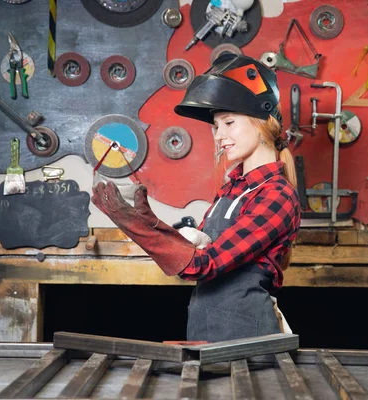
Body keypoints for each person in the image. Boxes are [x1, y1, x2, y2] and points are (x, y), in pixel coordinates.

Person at [92, 54, 301, 343]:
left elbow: (202, 265)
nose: (219, 136)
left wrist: (135, 228)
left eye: (228, 122)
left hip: (245, 339)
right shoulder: (231, 190)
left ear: (262, 122)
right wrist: (150, 223)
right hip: (204, 330)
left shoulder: (277, 195)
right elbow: (194, 254)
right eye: (216, 126)